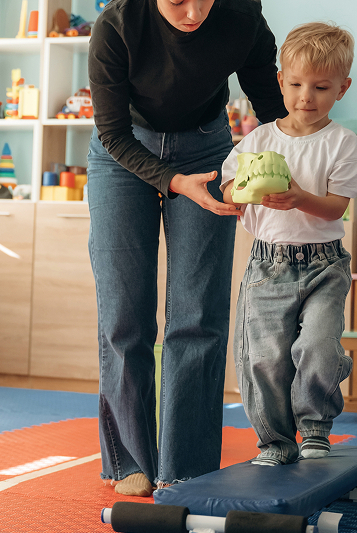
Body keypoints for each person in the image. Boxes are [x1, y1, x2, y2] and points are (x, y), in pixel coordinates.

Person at [87, 0, 287, 496]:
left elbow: (271, 106)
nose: (194, 12)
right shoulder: (116, 25)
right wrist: (175, 181)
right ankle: (129, 462)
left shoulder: (241, 15)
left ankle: (187, 466)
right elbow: (112, 132)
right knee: (123, 314)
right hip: (123, 153)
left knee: (199, 314)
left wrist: (293, 171)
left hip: (208, 147)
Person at [220, 21, 357, 465]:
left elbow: (336, 208)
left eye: (321, 87)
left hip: (324, 265)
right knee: (264, 358)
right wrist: (239, 194)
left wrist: (301, 198)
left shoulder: (343, 145)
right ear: (281, 82)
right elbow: (228, 187)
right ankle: (275, 442)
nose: (307, 97)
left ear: (341, 89)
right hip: (267, 265)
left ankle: (315, 429)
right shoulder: (259, 139)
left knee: (318, 347)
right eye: (298, 84)